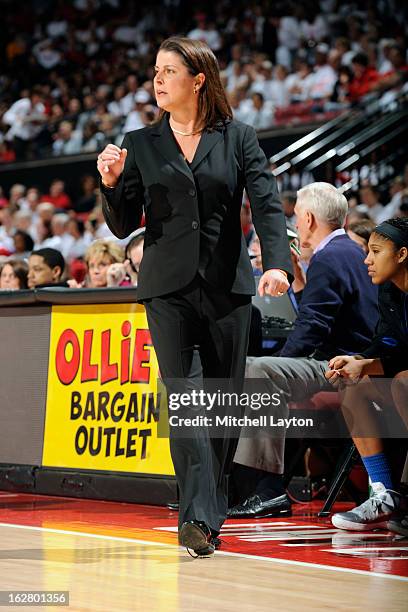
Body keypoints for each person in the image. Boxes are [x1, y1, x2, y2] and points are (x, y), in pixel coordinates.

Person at [98, 37, 292, 557]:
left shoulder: (240, 138)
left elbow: (267, 205)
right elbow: (121, 226)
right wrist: (113, 182)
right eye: (154, 71)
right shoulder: (140, 143)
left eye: (168, 71)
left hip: (228, 287)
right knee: (183, 400)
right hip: (166, 289)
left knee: (223, 407)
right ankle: (199, 520)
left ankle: (209, 509)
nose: (157, 80)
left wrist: (276, 263)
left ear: (197, 79)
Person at [230, 182, 379, 519]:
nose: (296, 224)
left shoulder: (330, 256)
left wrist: (279, 363)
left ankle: (265, 490)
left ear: (309, 219)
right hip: (353, 361)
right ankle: (256, 486)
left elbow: (311, 328)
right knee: (263, 370)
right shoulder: (351, 251)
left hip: (341, 367)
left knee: (257, 369)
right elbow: (324, 314)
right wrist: (298, 278)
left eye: (297, 218)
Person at [326, 217, 408, 536]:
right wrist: (356, 360)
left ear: (402, 254)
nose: (367, 260)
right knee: (353, 386)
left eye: (376, 251)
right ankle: (384, 493)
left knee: (403, 382)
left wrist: (370, 364)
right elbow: (386, 341)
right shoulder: (390, 290)